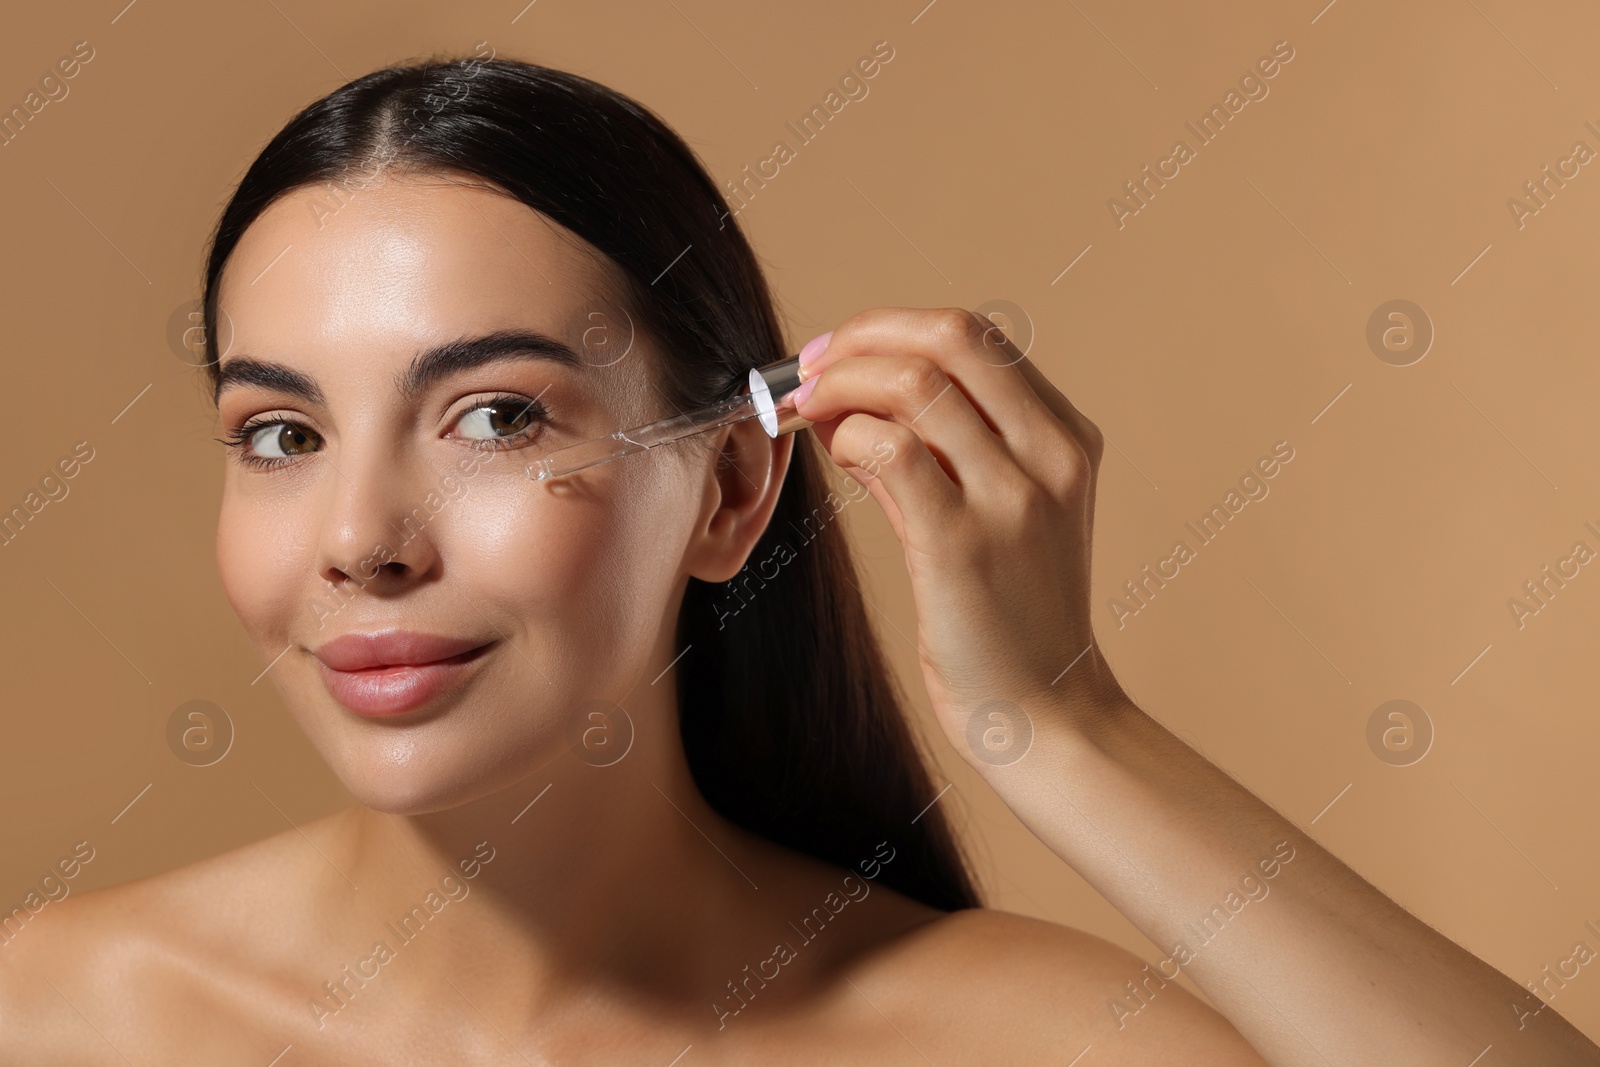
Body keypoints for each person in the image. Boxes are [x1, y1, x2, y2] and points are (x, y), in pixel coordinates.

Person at [2, 52, 1594, 1066]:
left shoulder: (1011, 1043)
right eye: (281, 436)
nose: (358, 542)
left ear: (733, 488)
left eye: (492, 417)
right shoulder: (54, 1018)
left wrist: (1054, 717)